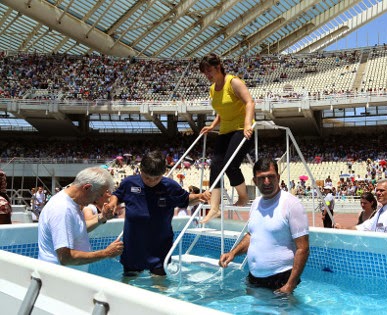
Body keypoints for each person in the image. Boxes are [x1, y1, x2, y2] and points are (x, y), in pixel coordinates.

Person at [107, 150, 210, 277]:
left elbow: (186, 199)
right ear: (141, 170)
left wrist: (200, 195)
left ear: (164, 173)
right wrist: (112, 203)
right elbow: (117, 195)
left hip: (160, 246)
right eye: (147, 178)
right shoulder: (129, 183)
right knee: (129, 281)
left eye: (156, 178)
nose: (151, 181)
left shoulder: (170, 186)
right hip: (133, 245)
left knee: (159, 283)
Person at [218, 158, 309, 294]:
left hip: (280, 279)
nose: (266, 182)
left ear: (278, 177)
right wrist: (233, 253)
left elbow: (303, 248)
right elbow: (252, 235)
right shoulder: (256, 204)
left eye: (271, 177)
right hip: (254, 278)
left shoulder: (291, 204)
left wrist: (290, 285)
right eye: (261, 178)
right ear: (255, 181)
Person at [198, 53, 255, 224]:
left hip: (242, 130)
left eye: (209, 71)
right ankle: (214, 209)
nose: (207, 75)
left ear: (218, 67)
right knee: (215, 165)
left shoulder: (233, 82)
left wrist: (247, 124)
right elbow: (221, 111)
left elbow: (249, 102)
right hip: (225, 130)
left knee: (230, 165)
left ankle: (243, 196)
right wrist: (213, 125)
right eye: (204, 73)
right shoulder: (212, 88)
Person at [38, 167, 123, 266]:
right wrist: (106, 253)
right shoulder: (62, 209)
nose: (98, 199)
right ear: (87, 188)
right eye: (99, 194)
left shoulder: (70, 203)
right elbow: (66, 258)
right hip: (59, 278)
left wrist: (102, 217)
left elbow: (76, 229)